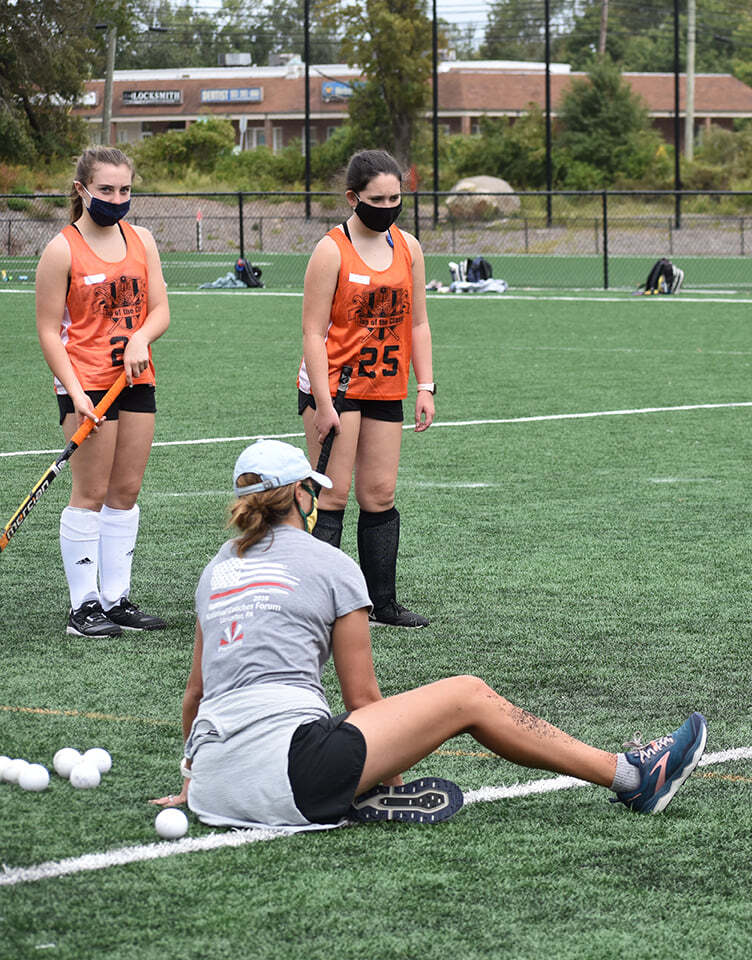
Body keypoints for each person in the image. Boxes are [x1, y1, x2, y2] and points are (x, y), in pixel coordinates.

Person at [151, 439, 707, 829]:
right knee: (467, 694)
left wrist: (190, 780)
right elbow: (363, 700)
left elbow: (197, 695)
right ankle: (632, 776)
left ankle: (355, 788)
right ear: (300, 494)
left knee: (331, 734)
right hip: (294, 773)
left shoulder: (216, 569)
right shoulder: (331, 564)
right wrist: (388, 767)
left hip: (212, 788)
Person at [33, 146, 171, 637]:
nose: (117, 198)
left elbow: (160, 311)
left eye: (125, 189)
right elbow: (50, 331)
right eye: (107, 190)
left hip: (135, 379)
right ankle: (82, 607)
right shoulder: (62, 249)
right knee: (89, 493)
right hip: (86, 384)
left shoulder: (142, 240)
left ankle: (116, 599)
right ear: (82, 191)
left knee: (125, 491)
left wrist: (140, 337)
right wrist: (74, 392)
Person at [298, 149, 434, 628]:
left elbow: (418, 322)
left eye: (396, 197)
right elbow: (313, 332)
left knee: (378, 493)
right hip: (335, 384)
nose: (388, 205)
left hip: (386, 385)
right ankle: (321, 605)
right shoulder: (331, 249)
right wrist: (322, 401)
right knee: (332, 496)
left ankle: (383, 603)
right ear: (354, 198)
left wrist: (426, 386)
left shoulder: (409, 248)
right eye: (378, 198)